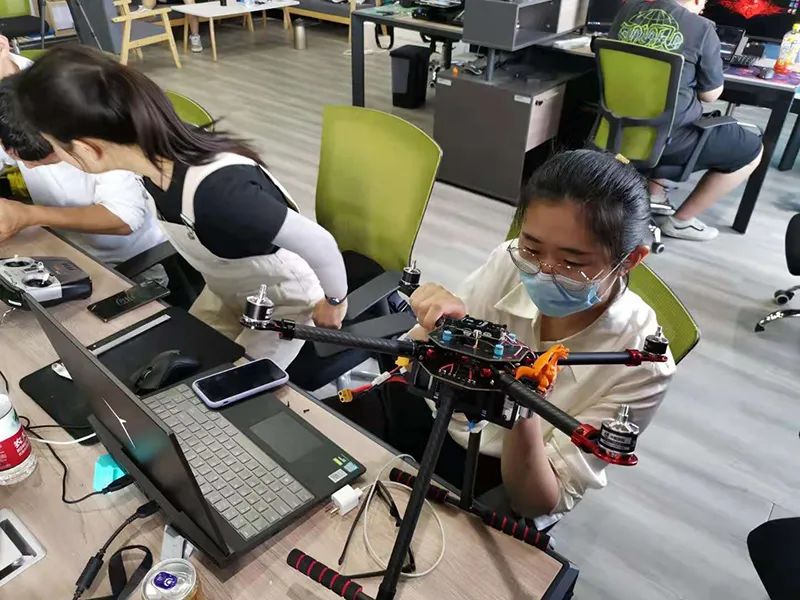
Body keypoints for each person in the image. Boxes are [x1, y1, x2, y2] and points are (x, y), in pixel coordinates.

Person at [12, 45, 349, 368]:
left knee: (231, 387)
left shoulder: (218, 192)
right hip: (223, 289)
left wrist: (334, 302)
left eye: (56, 147)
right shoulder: (150, 155)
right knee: (180, 363)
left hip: (283, 301)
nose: (55, 157)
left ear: (88, 149)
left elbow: (319, 242)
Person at [384, 151, 675, 523]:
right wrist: (438, 323)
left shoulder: (643, 365)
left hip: (505, 476)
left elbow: (534, 501)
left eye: (572, 263)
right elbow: (413, 358)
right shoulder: (508, 261)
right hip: (441, 418)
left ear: (630, 260)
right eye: (532, 248)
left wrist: (523, 404)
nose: (544, 272)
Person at [0, 38, 167, 274]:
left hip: (125, 262)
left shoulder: (82, 103)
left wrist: (30, 215)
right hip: (61, 249)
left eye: (37, 160)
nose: (28, 167)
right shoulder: (10, 101)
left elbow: (125, 216)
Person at [610, 0, 763, 242]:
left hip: (617, 130)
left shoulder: (627, 11)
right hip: (671, 141)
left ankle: (655, 194)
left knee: (666, 111)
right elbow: (710, 95)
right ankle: (680, 222)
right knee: (753, 150)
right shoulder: (701, 28)